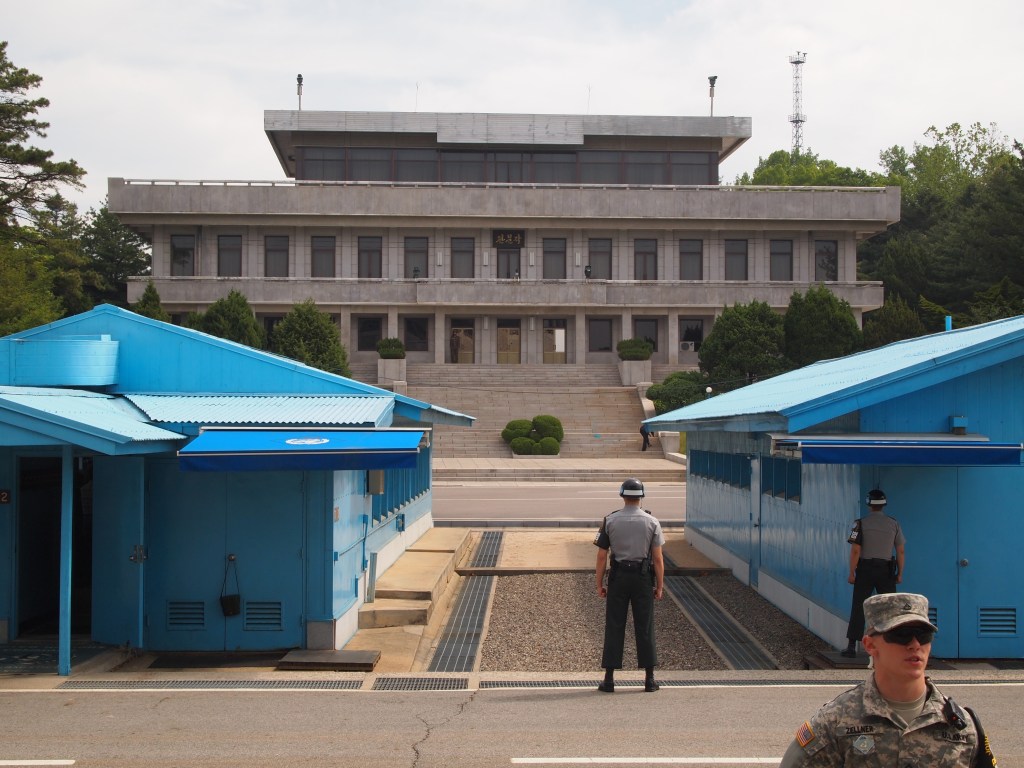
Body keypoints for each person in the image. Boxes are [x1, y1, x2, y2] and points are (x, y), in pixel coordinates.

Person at [779, 592, 996, 767]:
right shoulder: (836, 722)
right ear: (870, 645)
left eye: (923, 635)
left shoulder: (961, 727)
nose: (914, 645)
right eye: (900, 635)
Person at [594, 477, 665, 693]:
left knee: (615, 625)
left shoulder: (610, 520)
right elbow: (658, 559)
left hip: (618, 576)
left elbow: (601, 556)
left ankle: (609, 679)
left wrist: (599, 584)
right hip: (642, 577)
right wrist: (659, 586)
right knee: (645, 625)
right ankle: (649, 679)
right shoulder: (652, 522)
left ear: (622, 495)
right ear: (641, 497)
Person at [842, 488, 905, 657]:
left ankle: (851, 646)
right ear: (884, 504)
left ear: (869, 504)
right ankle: (893, 645)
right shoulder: (894, 523)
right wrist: (899, 573)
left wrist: (852, 572)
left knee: (859, 606)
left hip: (865, 569)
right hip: (886, 570)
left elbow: (856, 550)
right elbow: (900, 551)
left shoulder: (860, 523)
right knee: (890, 608)